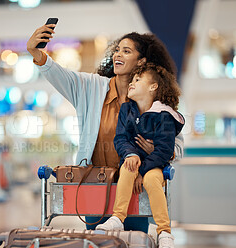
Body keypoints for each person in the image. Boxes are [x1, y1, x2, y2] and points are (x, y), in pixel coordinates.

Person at [27, 24, 184, 232]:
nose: (118, 54)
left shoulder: (154, 98)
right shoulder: (91, 88)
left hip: (135, 187)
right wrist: (37, 54)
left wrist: (157, 151)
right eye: (117, 50)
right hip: (96, 186)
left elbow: (177, 149)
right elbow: (61, 75)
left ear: (142, 61)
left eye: (126, 51)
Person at [95, 63, 184, 248]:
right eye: (132, 79)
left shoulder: (164, 116)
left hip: (154, 165)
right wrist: (131, 154)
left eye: (138, 80)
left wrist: (142, 171)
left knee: (152, 180)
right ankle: (117, 218)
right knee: (127, 168)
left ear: (153, 87)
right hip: (133, 162)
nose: (132, 83)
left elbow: (164, 150)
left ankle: (165, 232)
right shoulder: (127, 110)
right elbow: (120, 138)